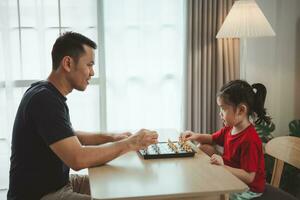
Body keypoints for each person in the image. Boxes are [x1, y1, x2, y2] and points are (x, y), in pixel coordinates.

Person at [7, 32, 158, 200]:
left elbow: (67, 135)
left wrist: (112, 137)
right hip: (41, 195)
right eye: (89, 65)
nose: (92, 72)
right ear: (68, 63)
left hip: (58, 183)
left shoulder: (45, 93)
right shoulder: (44, 100)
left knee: (119, 184)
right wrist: (130, 143)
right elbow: (78, 159)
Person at [181, 80, 269, 200]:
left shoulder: (250, 140)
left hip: (247, 189)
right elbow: (212, 138)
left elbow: (249, 177)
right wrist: (195, 136)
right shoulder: (230, 129)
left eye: (223, 109)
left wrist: (222, 167)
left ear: (241, 110)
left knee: (205, 196)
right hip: (230, 175)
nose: (220, 114)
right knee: (204, 147)